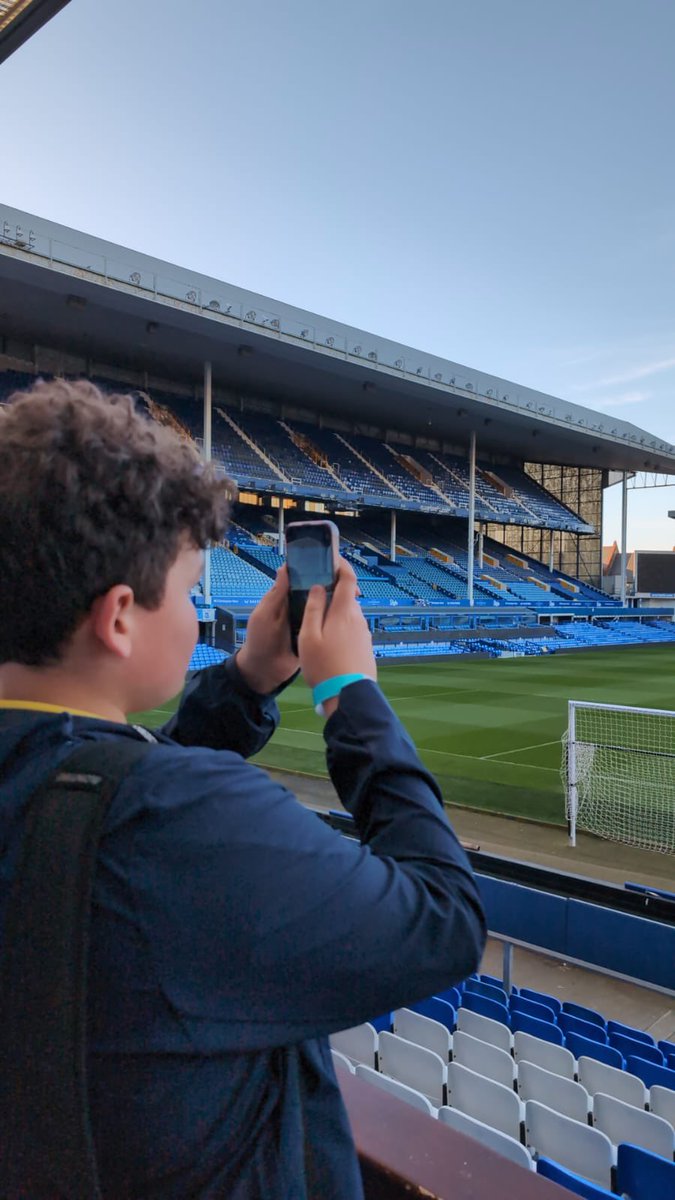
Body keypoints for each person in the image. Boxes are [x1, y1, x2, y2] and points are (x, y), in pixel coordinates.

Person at [0, 378, 486, 1199]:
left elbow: (82, 810)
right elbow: (442, 920)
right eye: (190, 593)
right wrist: (348, 695)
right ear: (119, 617)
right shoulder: (186, 817)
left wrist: (248, 679)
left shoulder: (74, 782)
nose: (197, 617)